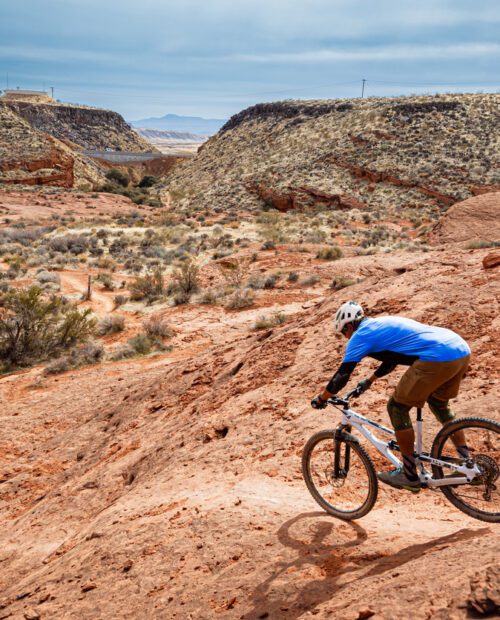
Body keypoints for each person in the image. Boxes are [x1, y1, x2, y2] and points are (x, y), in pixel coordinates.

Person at [311, 301, 471, 492]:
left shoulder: (359, 335)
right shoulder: (381, 324)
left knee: (397, 408)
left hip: (436, 357)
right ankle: (467, 464)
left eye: (343, 333)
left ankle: (409, 473)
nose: (345, 338)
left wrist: (322, 398)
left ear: (350, 326)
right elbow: (391, 360)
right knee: (438, 404)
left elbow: (342, 376)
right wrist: (369, 380)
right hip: (459, 349)